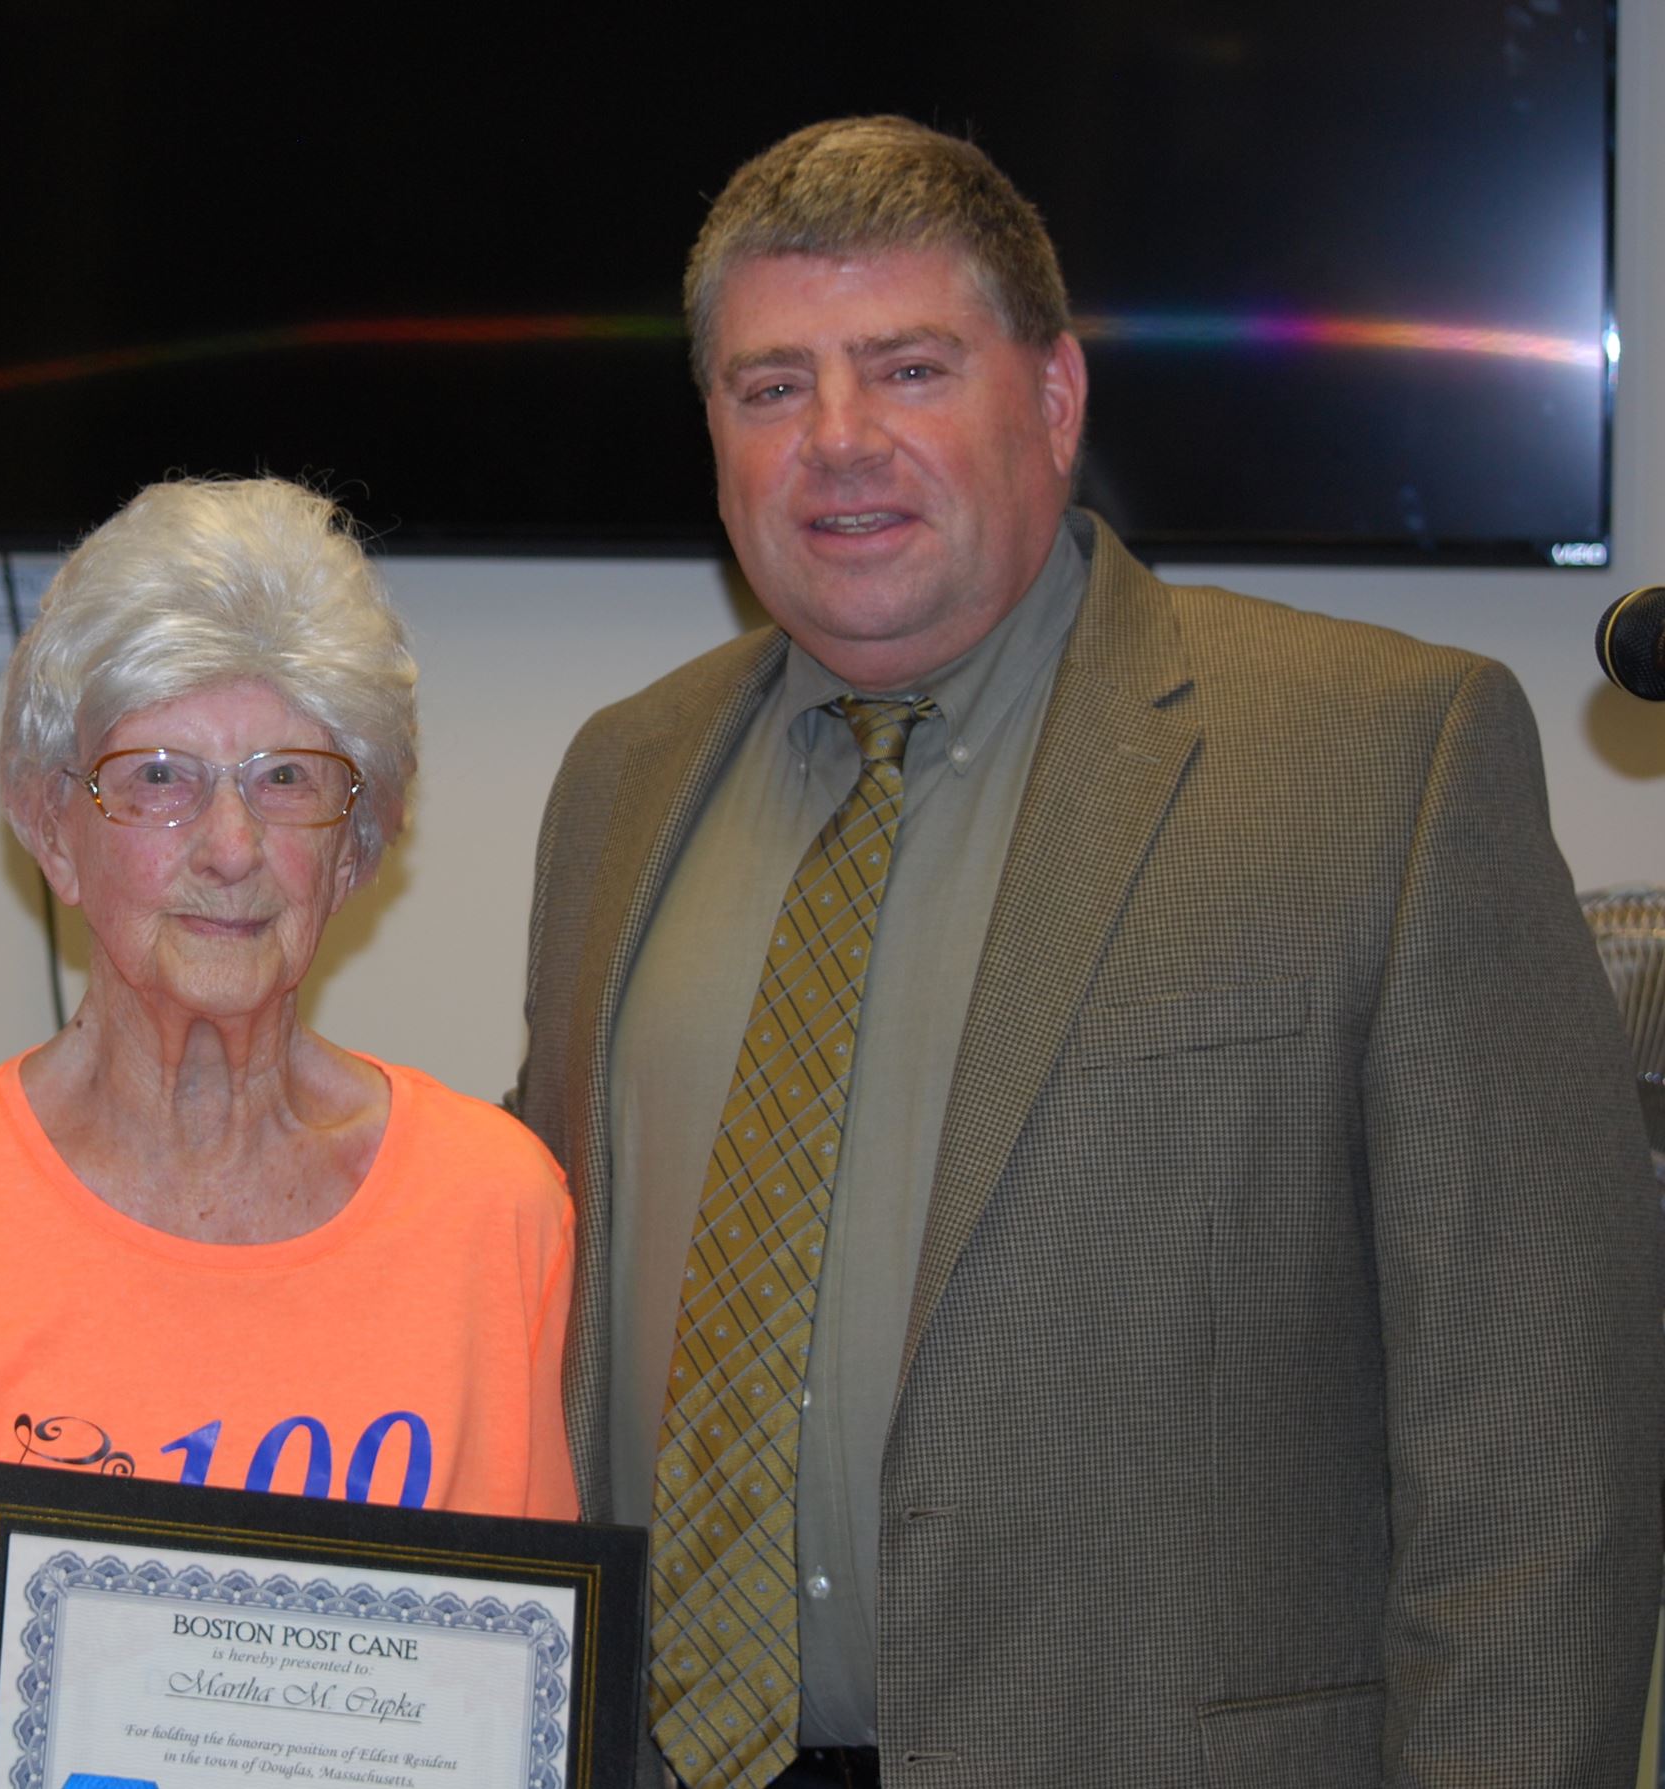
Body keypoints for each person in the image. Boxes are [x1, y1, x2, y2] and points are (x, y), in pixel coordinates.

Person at [511, 115, 1661, 1788]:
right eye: (772, 387)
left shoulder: (1385, 761)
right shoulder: (622, 780)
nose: (837, 443)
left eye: (908, 369)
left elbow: (1547, 1465)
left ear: (1053, 399)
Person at [0, 475, 578, 1785]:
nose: (231, 844)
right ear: (55, 825)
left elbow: (524, 1694)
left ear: (356, 844)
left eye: (290, 780)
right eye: (160, 778)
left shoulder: (496, 1209)